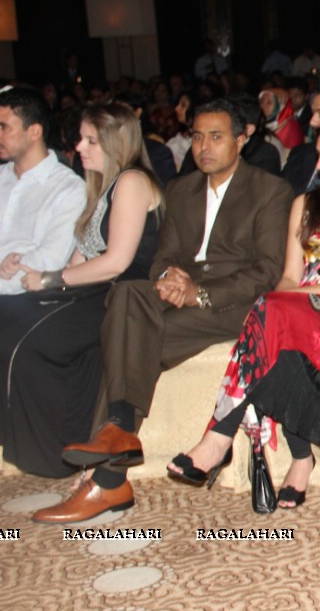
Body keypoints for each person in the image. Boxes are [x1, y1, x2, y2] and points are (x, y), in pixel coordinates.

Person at [30, 99, 292, 524]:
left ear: (243, 140)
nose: (204, 146)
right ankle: (116, 437)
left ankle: (108, 476)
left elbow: (265, 272)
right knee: (129, 295)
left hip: (234, 304)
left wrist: (198, 293)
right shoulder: (181, 189)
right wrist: (170, 277)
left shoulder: (270, 190)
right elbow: (162, 254)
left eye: (217, 136)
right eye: (197, 136)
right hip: (178, 293)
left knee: (126, 338)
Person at [165, 119, 320, 506]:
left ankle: (221, 440)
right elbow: (291, 276)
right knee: (274, 324)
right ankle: (294, 457)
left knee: (277, 316)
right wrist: (276, 310)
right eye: (318, 153)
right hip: (309, 305)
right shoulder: (303, 205)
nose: (319, 162)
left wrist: (286, 306)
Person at [0, 105, 162, 477]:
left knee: (32, 346)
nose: (79, 146)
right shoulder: (102, 185)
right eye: (82, 138)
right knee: (11, 327)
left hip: (120, 297)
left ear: (115, 143)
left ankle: (58, 452)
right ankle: (31, 447)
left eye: (91, 140)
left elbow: (116, 262)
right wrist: (33, 271)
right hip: (91, 292)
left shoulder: (132, 182)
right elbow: (79, 258)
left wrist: (51, 280)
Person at [0, 87, 87, 295]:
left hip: (27, 303)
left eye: (4, 127)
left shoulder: (69, 189)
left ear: (34, 132)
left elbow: (48, 261)